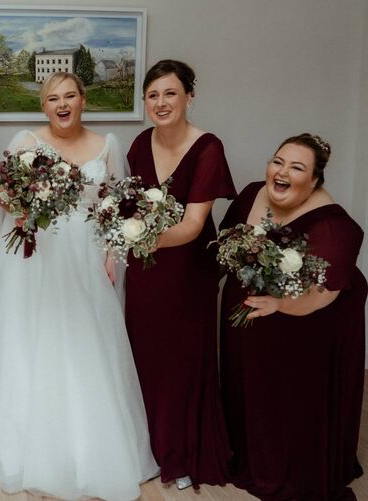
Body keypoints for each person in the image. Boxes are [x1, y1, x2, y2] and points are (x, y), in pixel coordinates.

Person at [0, 72, 158, 501]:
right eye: (52, 98)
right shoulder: (25, 141)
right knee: (30, 341)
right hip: (36, 254)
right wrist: (24, 210)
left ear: (84, 100)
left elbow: (114, 206)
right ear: (43, 106)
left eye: (70, 96)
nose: (61, 105)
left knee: (86, 344)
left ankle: (86, 449)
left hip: (85, 253)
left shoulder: (108, 146)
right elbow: (2, 195)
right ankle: (23, 448)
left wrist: (109, 254)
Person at [220, 133, 366, 500]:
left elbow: (324, 293)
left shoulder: (334, 225)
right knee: (246, 380)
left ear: (315, 180)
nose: (282, 172)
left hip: (309, 320)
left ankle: (282, 464)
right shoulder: (252, 192)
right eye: (278, 161)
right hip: (252, 310)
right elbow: (224, 243)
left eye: (297, 167)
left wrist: (280, 305)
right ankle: (249, 453)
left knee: (287, 397)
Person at [124, 60, 236, 489]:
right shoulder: (139, 143)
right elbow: (128, 205)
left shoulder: (208, 147)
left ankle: (184, 452)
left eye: (170, 93)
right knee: (144, 355)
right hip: (146, 271)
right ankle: (148, 448)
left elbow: (191, 227)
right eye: (152, 95)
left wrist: (138, 241)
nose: (161, 102)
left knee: (182, 361)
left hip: (188, 271)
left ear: (190, 96)